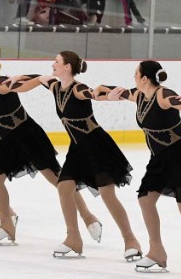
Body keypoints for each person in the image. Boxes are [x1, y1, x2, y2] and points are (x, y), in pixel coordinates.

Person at [0, 52, 107, 248]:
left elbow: (25, 85)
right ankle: (7, 225)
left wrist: (39, 78)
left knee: (57, 180)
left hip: (26, 136)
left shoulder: (0, 84)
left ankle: (88, 217)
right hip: (5, 139)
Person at [11, 51, 142, 259]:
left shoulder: (78, 88)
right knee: (64, 188)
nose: (52, 64)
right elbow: (40, 78)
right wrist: (18, 77)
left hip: (95, 144)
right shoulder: (55, 86)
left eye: (57, 61)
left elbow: (94, 93)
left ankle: (130, 240)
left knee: (107, 194)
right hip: (77, 147)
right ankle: (73, 239)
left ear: (67, 67)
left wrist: (108, 96)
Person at [97, 60, 181, 276]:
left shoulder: (162, 94)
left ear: (145, 78)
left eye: (136, 73)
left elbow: (179, 103)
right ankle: (157, 252)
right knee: (145, 199)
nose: (133, 76)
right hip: (159, 158)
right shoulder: (138, 95)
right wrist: (104, 93)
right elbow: (111, 92)